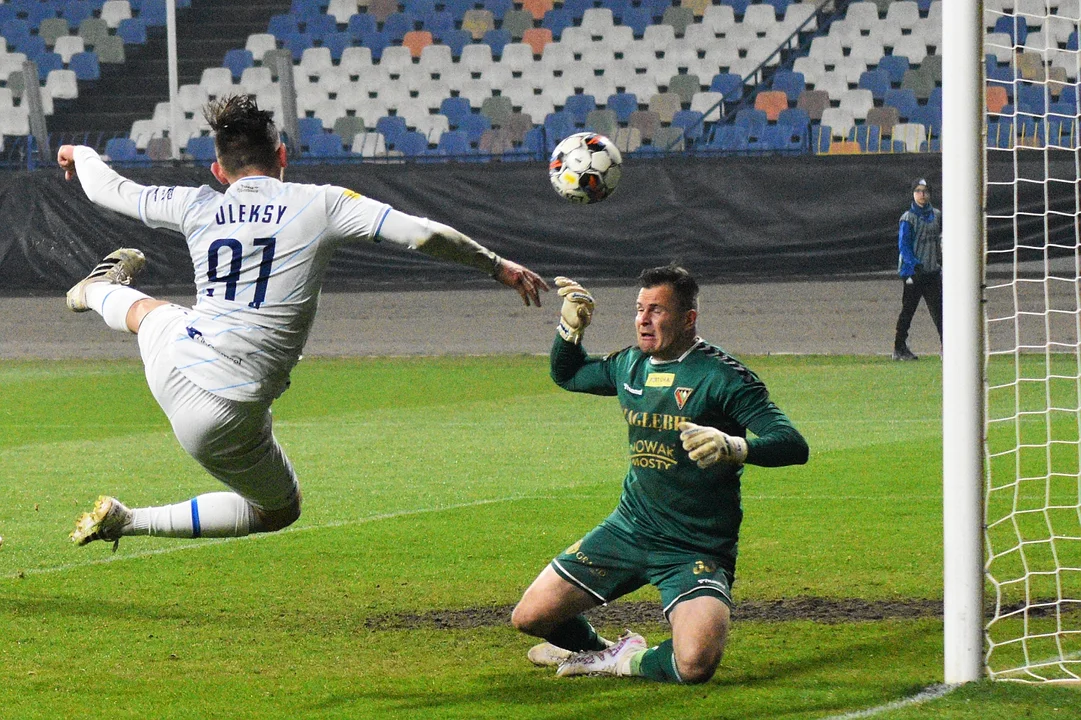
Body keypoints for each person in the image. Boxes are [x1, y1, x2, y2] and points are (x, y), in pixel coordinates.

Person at [61, 94, 549, 550]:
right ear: (283, 156)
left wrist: (81, 152)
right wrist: (497, 266)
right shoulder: (321, 203)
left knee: (153, 313)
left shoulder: (197, 204)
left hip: (173, 360)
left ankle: (99, 290)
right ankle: (129, 520)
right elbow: (420, 235)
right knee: (277, 510)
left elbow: (110, 190)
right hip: (224, 410)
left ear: (218, 170)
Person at [510, 265, 808, 684]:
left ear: (689, 318)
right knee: (529, 617)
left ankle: (622, 661)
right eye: (639, 309)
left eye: (657, 310)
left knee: (695, 663)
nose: (644, 320)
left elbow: (793, 444)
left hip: (695, 544)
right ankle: (603, 652)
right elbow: (569, 374)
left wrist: (735, 446)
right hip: (629, 529)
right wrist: (569, 330)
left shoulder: (723, 377)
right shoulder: (630, 365)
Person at [893, 177, 942, 361]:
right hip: (913, 273)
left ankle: (947, 346)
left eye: (925, 191)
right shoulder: (908, 218)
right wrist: (914, 265)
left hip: (932, 272)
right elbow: (904, 246)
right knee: (908, 310)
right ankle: (899, 348)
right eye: (918, 191)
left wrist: (939, 262)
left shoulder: (936, 215)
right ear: (913, 194)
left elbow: (940, 240)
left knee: (940, 311)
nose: (922, 195)